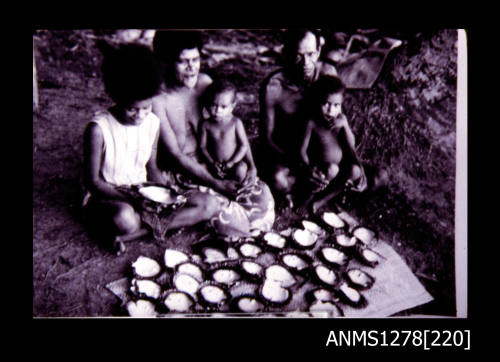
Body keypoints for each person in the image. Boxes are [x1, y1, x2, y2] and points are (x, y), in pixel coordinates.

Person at [82, 42, 223, 248]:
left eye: (146, 108)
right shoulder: (98, 129)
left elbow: (151, 167)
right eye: (132, 109)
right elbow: (93, 181)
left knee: (209, 204)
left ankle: (134, 235)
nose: (140, 116)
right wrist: (132, 200)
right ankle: (140, 228)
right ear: (116, 97)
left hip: (142, 192)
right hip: (110, 194)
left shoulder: (152, 122)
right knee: (125, 218)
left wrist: (166, 195)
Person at [152, 30, 275, 237]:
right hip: (184, 177)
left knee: (263, 199)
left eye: (196, 59)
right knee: (231, 220)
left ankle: (212, 214)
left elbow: (230, 127)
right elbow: (175, 154)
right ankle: (191, 216)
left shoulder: (204, 84)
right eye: (183, 62)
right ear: (166, 62)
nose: (192, 68)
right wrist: (216, 184)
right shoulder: (158, 100)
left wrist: (247, 167)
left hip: (215, 166)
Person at [258, 28, 338, 206]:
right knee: (279, 179)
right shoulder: (274, 86)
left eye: (311, 54)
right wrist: (300, 165)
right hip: (286, 154)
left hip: (317, 150)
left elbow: (335, 125)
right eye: (298, 55)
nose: (306, 63)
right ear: (286, 54)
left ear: (318, 52)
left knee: (333, 170)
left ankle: (309, 190)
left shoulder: (328, 74)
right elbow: (267, 138)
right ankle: (306, 191)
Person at [299, 75, 367, 213]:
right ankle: (306, 198)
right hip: (320, 170)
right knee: (332, 169)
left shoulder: (342, 120)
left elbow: (351, 146)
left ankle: (320, 201)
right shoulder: (312, 122)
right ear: (317, 101)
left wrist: (345, 126)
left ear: (341, 105)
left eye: (336, 105)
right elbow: (301, 151)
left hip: (339, 172)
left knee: (355, 170)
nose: (331, 110)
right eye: (326, 104)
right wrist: (308, 168)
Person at [199, 79, 257, 185]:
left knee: (241, 169)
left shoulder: (235, 123)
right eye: (213, 105)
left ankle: (239, 190)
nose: (217, 110)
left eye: (223, 107)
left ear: (232, 107)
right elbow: (202, 147)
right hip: (214, 164)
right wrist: (211, 162)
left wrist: (232, 162)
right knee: (201, 170)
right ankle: (218, 188)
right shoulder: (206, 125)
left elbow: (243, 145)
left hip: (234, 163)